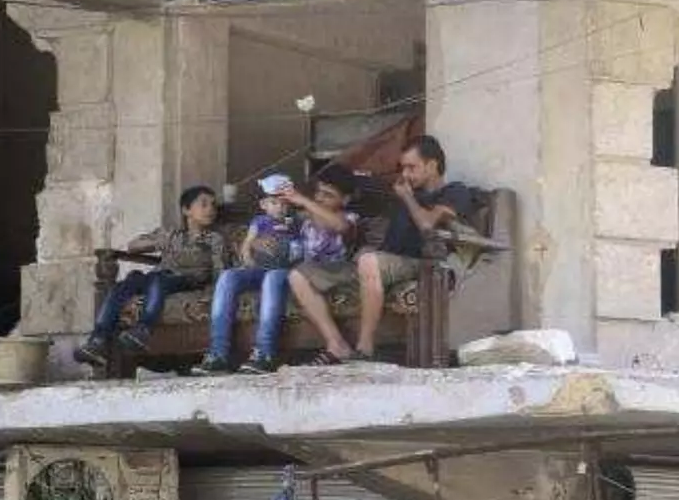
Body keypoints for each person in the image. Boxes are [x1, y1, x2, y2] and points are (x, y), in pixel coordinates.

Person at [289, 135, 472, 362]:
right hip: (381, 263)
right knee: (299, 275)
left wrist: (407, 198)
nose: (405, 174)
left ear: (433, 165)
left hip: (420, 262)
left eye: (411, 167)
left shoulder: (454, 191)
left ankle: (364, 348)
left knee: (369, 261)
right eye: (402, 168)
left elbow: (427, 225)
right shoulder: (399, 191)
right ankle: (337, 345)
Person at [197, 165, 360, 374]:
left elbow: (340, 226)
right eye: (318, 192)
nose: (319, 198)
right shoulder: (301, 217)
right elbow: (268, 224)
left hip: (306, 275)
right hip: (282, 270)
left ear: (345, 200)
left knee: (274, 277)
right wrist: (255, 243)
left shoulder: (350, 218)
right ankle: (217, 354)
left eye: (327, 195)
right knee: (229, 276)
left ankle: (264, 353)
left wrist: (303, 200)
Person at [75, 185, 231, 368]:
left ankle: (143, 330)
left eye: (213, 205)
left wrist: (214, 291)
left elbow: (221, 269)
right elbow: (133, 246)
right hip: (160, 276)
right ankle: (97, 341)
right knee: (127, 283)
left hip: (188, 279)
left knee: (158, 280)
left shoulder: (214, 239)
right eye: (203, 205)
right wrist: (159, 241)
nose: (210, 210)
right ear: (186, 210)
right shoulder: (171, 233)